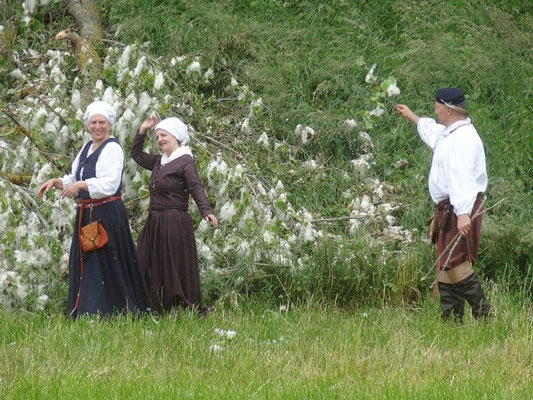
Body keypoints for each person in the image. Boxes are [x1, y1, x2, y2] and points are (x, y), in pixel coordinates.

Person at [38, 101, 151, 317]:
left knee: (108, 261)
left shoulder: (113, 149)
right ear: (88, 124)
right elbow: (75, 177)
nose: (97, 127)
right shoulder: (86, 148)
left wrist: (81, 186)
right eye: (93, 122)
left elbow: (109, 183)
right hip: (87, 214)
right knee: (88, 262)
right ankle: (87, 310)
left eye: (102, 123)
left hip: (107, 212)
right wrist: (56, 181)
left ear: (109, 124)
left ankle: (114, 310)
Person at [396, 87, 491, 321]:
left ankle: (484, 316)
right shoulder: (450, 133)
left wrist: (463, 213)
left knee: (456, 262)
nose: (435, 110)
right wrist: (411, 116)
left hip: (460, 207)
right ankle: (451, 320)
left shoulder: (464, 138)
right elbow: (431, 131)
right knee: (447, 265)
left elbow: (463, 178)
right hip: (452, 208)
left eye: (437, 106)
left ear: (448, 109)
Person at [130, 116, 218, 313]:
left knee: (173, 265)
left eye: (164, 135)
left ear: (176, 137)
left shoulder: (185, 161)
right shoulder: (158, 162)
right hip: (155, 221)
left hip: (174, 220)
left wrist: (207, 211)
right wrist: (143, 129)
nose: (160, 139)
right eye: (158, 136)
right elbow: (136, 154)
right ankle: (150, 305)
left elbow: (195, 186)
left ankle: (178, 308)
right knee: (144, 260)